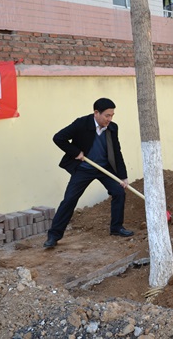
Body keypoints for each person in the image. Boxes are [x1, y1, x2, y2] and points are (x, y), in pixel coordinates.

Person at [44, 98, 133, 249]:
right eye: (107, 115)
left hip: (105, 169)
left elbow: (116, 152)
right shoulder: (81, 123)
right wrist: (75, 152)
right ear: (96, 113)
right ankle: (54, 236)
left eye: (112, 115)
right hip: (84, 169)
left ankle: (116, 227)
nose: (110, 119)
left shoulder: (112, 128)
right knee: (70, 199)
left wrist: (123, 176)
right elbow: (58, 138)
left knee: (119, 192)